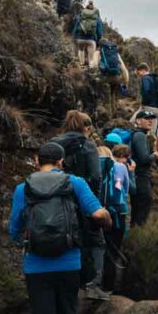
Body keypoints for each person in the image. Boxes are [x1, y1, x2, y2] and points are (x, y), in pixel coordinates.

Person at [8, 142, 111, 314]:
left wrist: (32, 244)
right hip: (69, 264)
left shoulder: (23, 189)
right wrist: (107, 224)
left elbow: (13, 230)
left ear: (36, 160)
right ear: (62, 161)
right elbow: (99, 214)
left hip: (36, 268)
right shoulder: (74, 183)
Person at [50, 110, 108, 299]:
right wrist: (93, 202)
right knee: (96, 241)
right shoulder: (88, 145)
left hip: (57, 201)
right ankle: (92, 284)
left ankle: (65, 282)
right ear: (86, 127)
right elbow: (96, 176)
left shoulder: (55, 142)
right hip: (82, 199)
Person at [101, 137, 133, 290]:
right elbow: (123, 186)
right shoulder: (121, 167)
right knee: (114, 250)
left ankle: (97, 282)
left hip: (102, 209)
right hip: (117, 211)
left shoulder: (106, 165)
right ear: (125, 156)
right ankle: (110, 286)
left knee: (104, 247)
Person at [129, 110, 157, 226]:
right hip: (140, 178)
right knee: (141, 213)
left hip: (136, 177)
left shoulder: (138, 135)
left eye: (151, 118)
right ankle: (137, 239)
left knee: (137, 211)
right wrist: (154, 155)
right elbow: (144, 159)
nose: (150, 121)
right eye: (147, 118)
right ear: (138, 121)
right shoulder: (140, 136)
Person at [71, 1, 102, 70]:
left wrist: (74, 37)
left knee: (81, 50)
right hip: (91, 40)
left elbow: (75, 27)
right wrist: (98, 40)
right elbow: (99, 32)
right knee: (91, 58)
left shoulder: (81, 15)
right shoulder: (97, 18)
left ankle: (81, 66)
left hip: (80, 39)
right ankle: (91, 71)